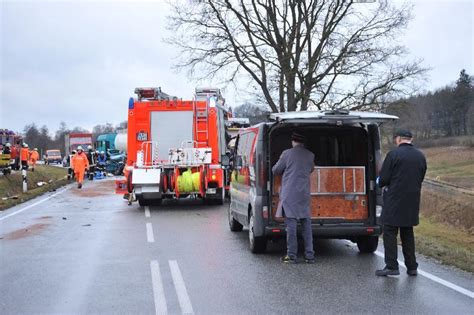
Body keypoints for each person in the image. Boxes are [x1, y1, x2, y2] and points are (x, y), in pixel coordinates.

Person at [376, 129, 427, 277]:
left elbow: (384, 179)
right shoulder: (420, 156)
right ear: (410, 139)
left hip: (394, 199)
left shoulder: (393, 155)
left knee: (390, 232)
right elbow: (421, 176)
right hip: (412, 200)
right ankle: (412, 267)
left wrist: (379, 182)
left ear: (398, 139)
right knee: (407, 233)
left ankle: (392, 266)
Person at [272, 132, 315, 264]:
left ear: (293, 141)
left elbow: (276, 170)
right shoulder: (310, 155)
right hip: (304, 193)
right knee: (306, 223)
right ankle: (309, 255)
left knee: (291, 224)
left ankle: (291, 255)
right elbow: (311, 169)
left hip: (290, 194)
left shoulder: (286, 154)